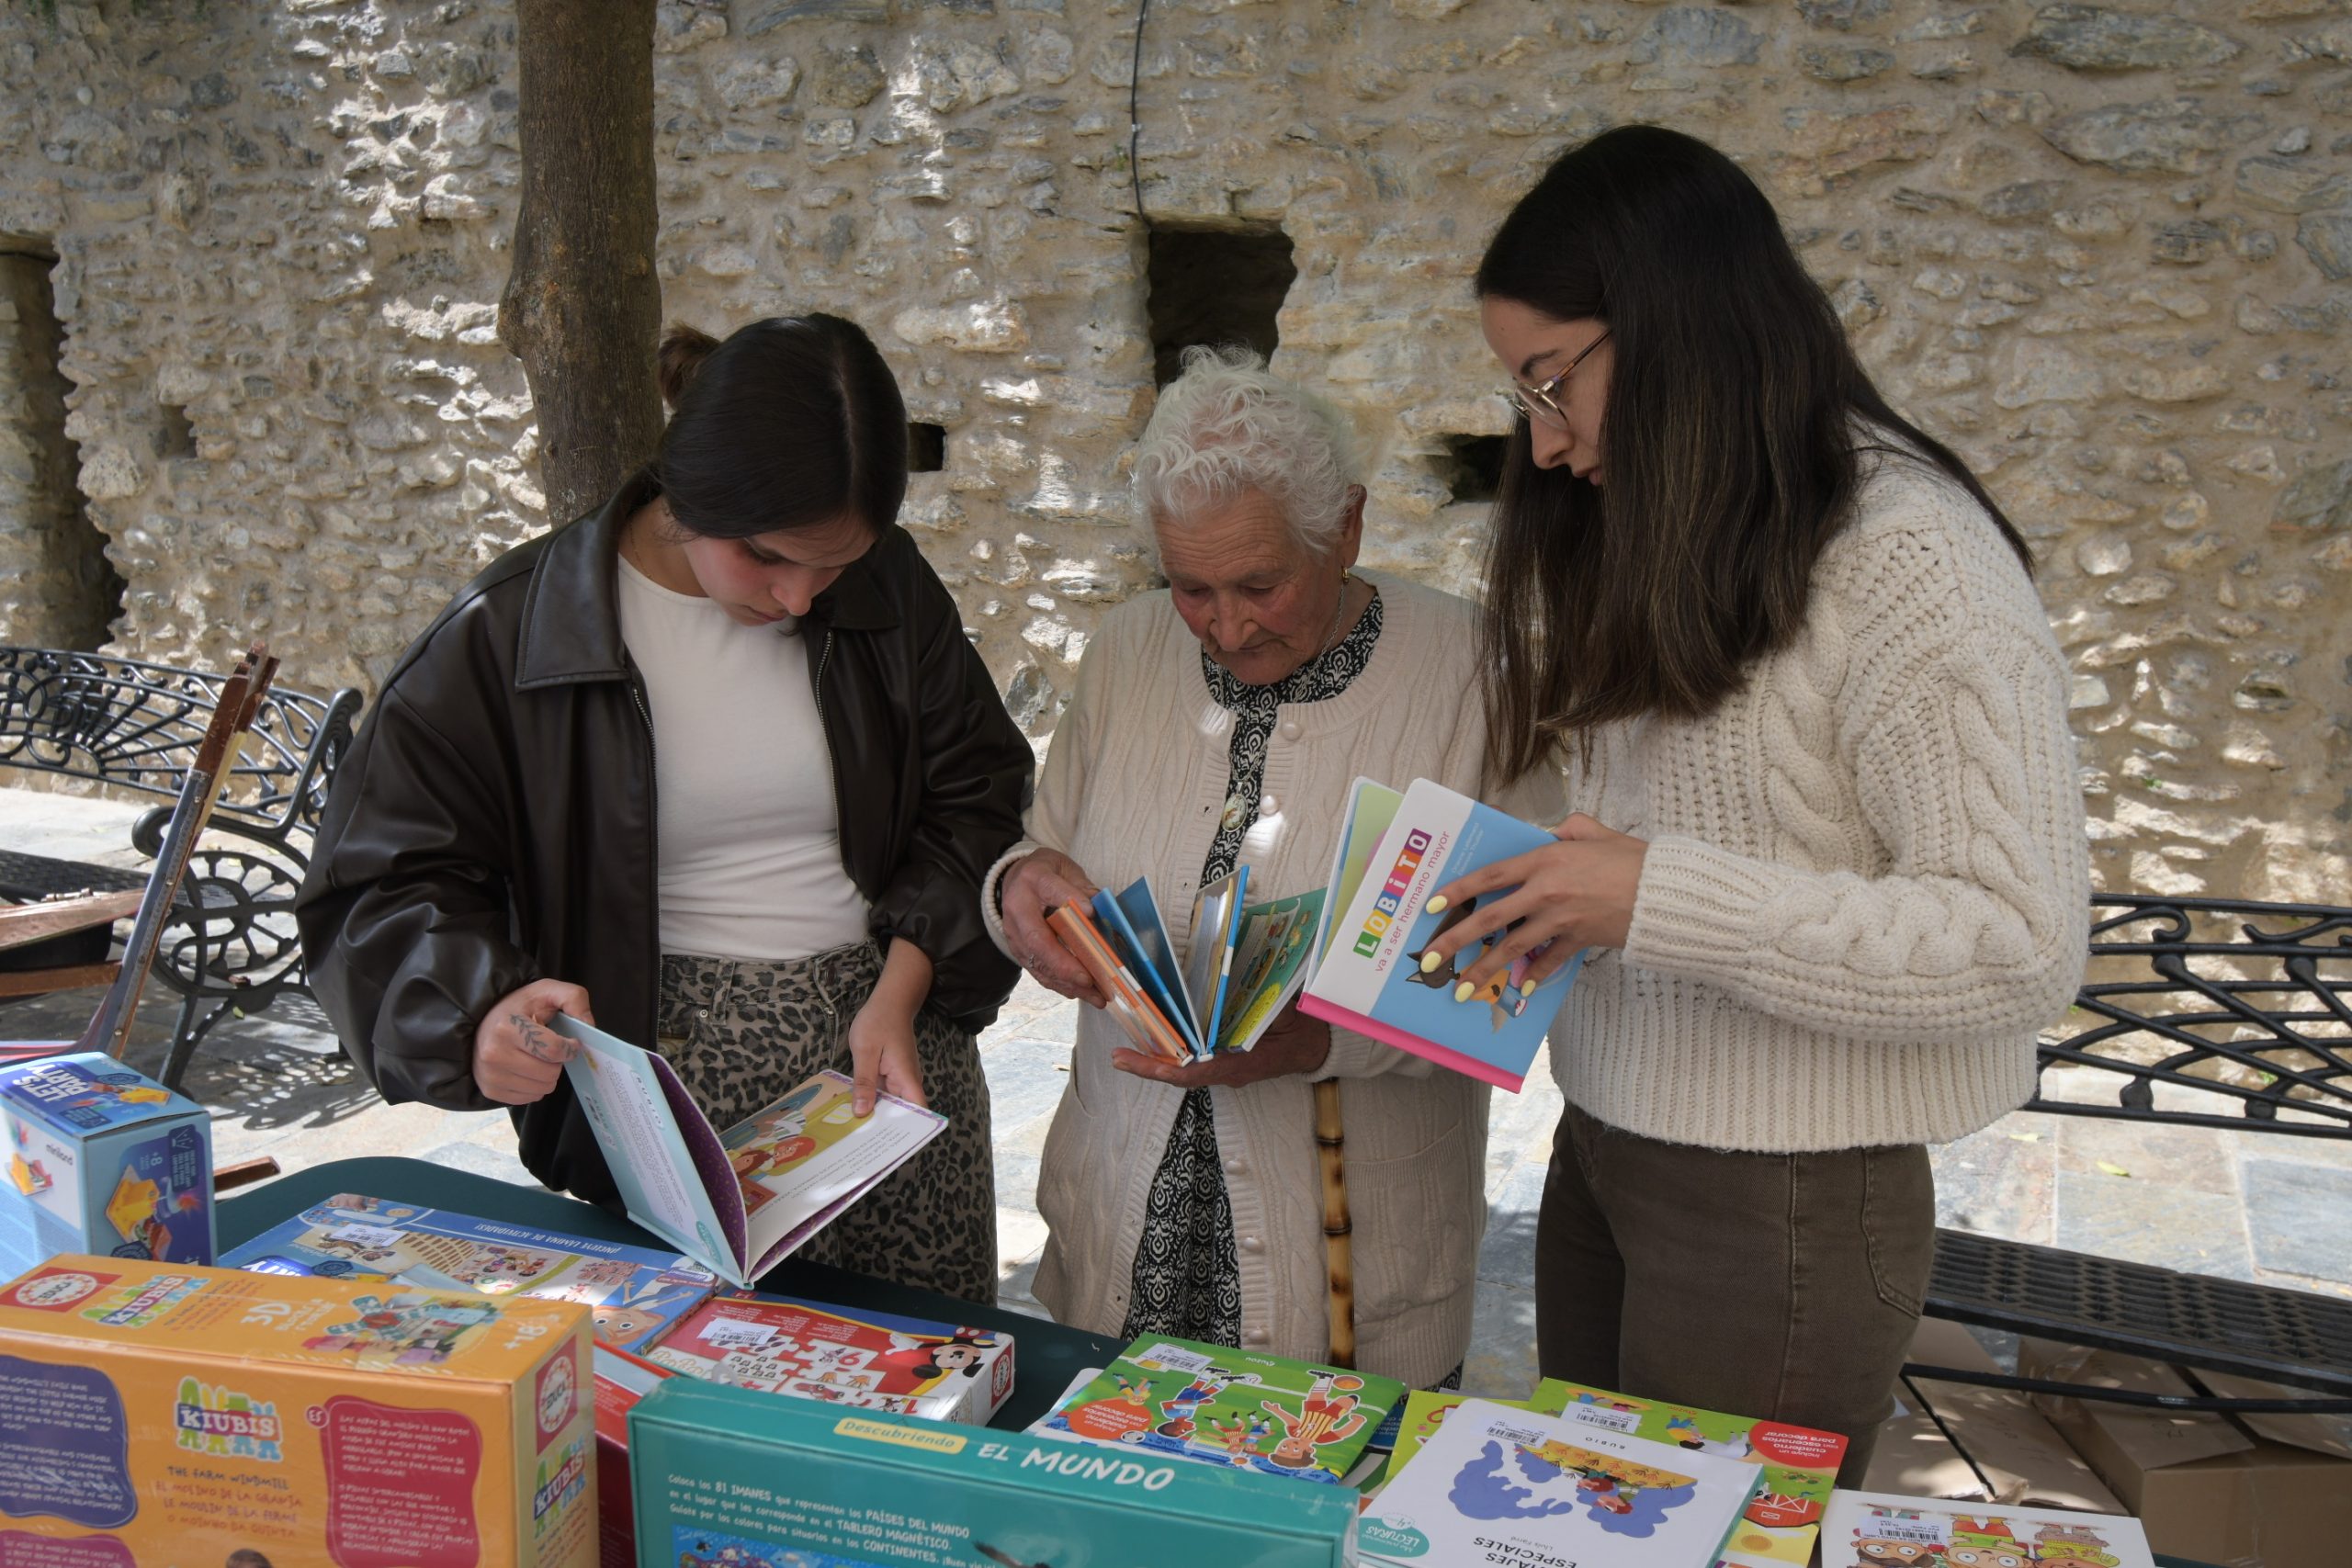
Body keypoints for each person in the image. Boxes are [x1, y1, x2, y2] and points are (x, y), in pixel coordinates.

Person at [1415, 126, 2090, 1475]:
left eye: (1552, 384)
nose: (1542, 445)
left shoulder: (1911, 556)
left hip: (1784, 1194)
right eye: (1522, 396)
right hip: (1607, 1142)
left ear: (1672, 328)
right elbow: (1679, 835)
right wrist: (1548, 896)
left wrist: (1654, 895)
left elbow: (2018, 938)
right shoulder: (1663, 525)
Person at [297, 315, 1033, 1303]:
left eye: (836, 565)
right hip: (666, 1107)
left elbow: (974, 796)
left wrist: (901, 991)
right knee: (690, 1423)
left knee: (923, 1409)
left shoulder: (891, 589)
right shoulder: (510, 633)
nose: (803, 599)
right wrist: (473, 1014)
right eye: (769, 559)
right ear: (690, 496)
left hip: (894, 1077)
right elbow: (381, 884)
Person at [987, 347, 1563, 1388]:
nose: (1228, 624)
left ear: (1344, 526)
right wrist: (1017, 895)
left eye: (1261, 582)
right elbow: (1042, 852)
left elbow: (1511, 969)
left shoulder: (1474, 672)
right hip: (1122, 1234)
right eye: (1190, 588)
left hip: (1352, 1261)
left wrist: (1320, 1039)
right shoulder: (1122, 654)